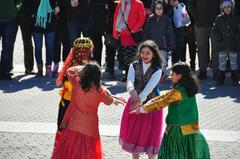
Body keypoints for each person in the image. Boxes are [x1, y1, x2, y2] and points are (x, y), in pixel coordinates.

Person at [131, 62, 210, 159]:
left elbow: (163, 101)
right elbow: (164, 97)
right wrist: (145, 107)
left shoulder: (178, 92)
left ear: (179, 76)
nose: (171, 76)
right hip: (191, 129)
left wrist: (142, 109)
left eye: (173, 74)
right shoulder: (188, 89)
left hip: (177, 130)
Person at [51, 62, 126, 159]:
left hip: (73, 123)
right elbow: (109, 101)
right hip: (90, 127)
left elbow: (70, 70)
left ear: (84, 73)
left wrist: (85, 68)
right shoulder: (100, 91)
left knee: (69, 152)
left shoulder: (76, 82)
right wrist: (115, 100)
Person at [119, 40, 164, 159]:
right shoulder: (134, 65)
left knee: (150, 134)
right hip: (135, 99)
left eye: (148, 53)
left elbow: (149, 88)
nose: (145, 55)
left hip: (151, 104)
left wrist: (139, 101)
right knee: (135, 133)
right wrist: (131, 90)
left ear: (153, 54)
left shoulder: (157, 70)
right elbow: (129, 80)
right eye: (143, 52)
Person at [54, 37, 94, 147]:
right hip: (78, 107)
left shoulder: (71, 65)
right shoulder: (85, 68)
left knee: (65, 133)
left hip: (66, 105)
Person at [113, 0, 146, 82]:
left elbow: (142, 18)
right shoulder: (120, 4)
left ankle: (134, 75)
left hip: (133, 35)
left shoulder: (138, 3)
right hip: (124, 34)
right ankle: (127, 74)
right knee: (125, 57)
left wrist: (134, 29)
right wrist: (115, 33)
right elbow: (116, 18)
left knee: (134, 56)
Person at [143, 0, 175, 83]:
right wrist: (144, 42)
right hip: (152, 44)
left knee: (163, 61)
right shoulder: (150, 18)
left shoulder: (166, 19)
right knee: (152, 61)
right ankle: (154, 75)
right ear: (154, 8)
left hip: (163, 44)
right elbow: (146, 31)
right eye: (157, 8)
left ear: (163, 9)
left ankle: (163, 74)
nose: (158, 10)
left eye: (160, 8)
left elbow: (170, 32)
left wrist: (171, 44)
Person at [188, 0, 220, 79]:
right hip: (200, 24)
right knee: (201, 48)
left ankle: (216, 71)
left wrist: (220, 18)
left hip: (215, 24)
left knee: (216, 48)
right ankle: (202, 71)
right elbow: (190, 4)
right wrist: (197, 17)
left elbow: (223, 3)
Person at [211, 0, 240, 86]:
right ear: (222, 8)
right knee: (222, 62)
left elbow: (239, 30)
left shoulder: (236, 18)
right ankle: (220, 78)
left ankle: (235, 78)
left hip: (233, 44)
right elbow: (215, 30)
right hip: (222, 45)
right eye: (225, 7)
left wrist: (236, 38)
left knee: (233, 62)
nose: (227, 9)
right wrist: (219, 39)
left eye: (229, 7)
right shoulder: (219, 18)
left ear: (232, 7)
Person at [30, 0, 60, 77]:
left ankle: (48, 68)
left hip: (51, 21)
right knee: (38, 47)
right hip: (37, 22)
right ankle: (39, 68)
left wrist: (58, 6)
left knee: (50, 47)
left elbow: (59, 2)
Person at [13, 0, 34, 75]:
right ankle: (8, 66)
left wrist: (31, 12)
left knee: (27, 42)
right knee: (10, 43)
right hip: (13, 16)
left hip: (27, 17)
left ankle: (29, 67)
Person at [52, 0, 71, 77]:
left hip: (67, 21)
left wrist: (59, 6)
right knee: (56, 44)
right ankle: (56, 64)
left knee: (66, 44)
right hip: (56, 22)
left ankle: (65, 66)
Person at [0, 0, 16, 80]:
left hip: (9, 21)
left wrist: (15, 9)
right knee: (7, 47)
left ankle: (4, 71)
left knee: (7, 47)